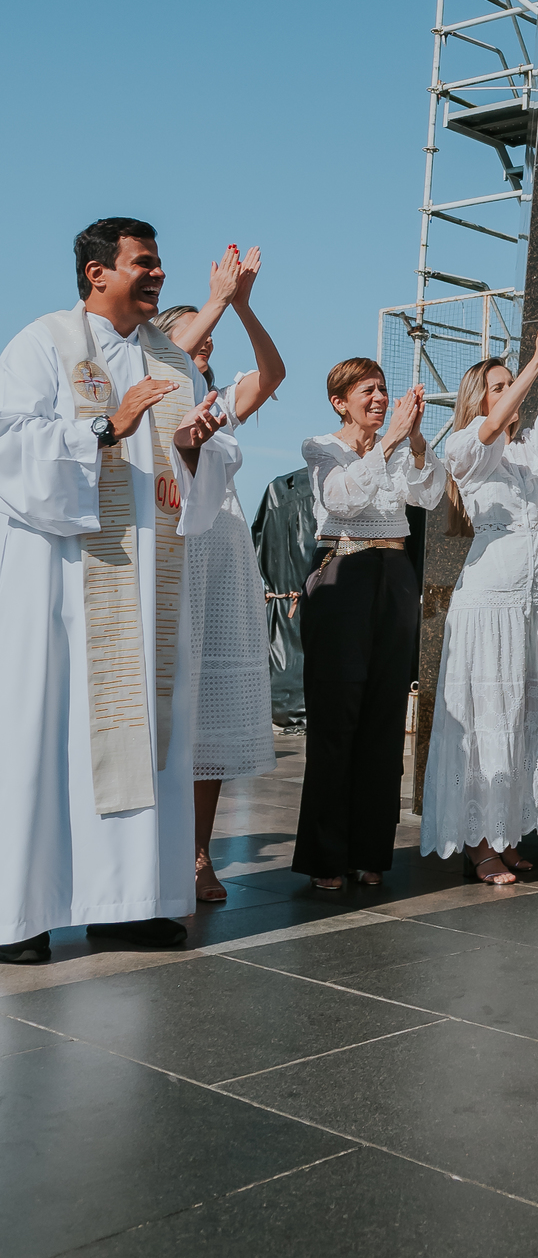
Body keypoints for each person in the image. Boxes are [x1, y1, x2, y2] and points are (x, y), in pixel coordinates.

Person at [0, 218, 238, 963]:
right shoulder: (43, 343)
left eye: (160, 263)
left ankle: (133, 903)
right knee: (48, 733)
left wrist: (194, 449)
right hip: (61, 582)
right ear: (97, 272)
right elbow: (9, 443)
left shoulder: (173, 360)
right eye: (145, 263)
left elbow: (214, 453)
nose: (158, 274)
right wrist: (106, 425)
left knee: (147, 730)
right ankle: (25, 910)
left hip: (150, 587)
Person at [421, 302, 538, 884]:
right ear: (481, 398)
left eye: (509, 382)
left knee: (521, 714)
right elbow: (488, 428)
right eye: (498, 385)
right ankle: (478, 841)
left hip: (535, 598)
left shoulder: (528, 452)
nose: (508, 390)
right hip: (489, 599)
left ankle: (506, 831)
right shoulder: (468, 447)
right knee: (489, 712)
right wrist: (534, 361)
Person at [154, 241, 286, 903]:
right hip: (176, 551)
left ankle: (200, 854)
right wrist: (214, 302)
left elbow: (273, 374)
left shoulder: (221, 401)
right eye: (195, 337)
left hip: (226, 555)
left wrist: (245, 307)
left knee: (209, 715)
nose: (204, 346)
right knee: (166, 708)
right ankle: (148, 848)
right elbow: (172, 351)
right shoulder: (156, 391)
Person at [292, 361, 445, 890]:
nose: (380, 398)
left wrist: (417, 439)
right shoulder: (322, 448)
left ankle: (369, 850)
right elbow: (342, 500)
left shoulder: (401, 445)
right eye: (367, 390)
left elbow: (427, 495)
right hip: (344, 572)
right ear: (340, 401)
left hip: (396, 576)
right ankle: (325, 857)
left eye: (383, 389)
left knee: (383, 719)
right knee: (337, 721)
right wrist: (388, 443)